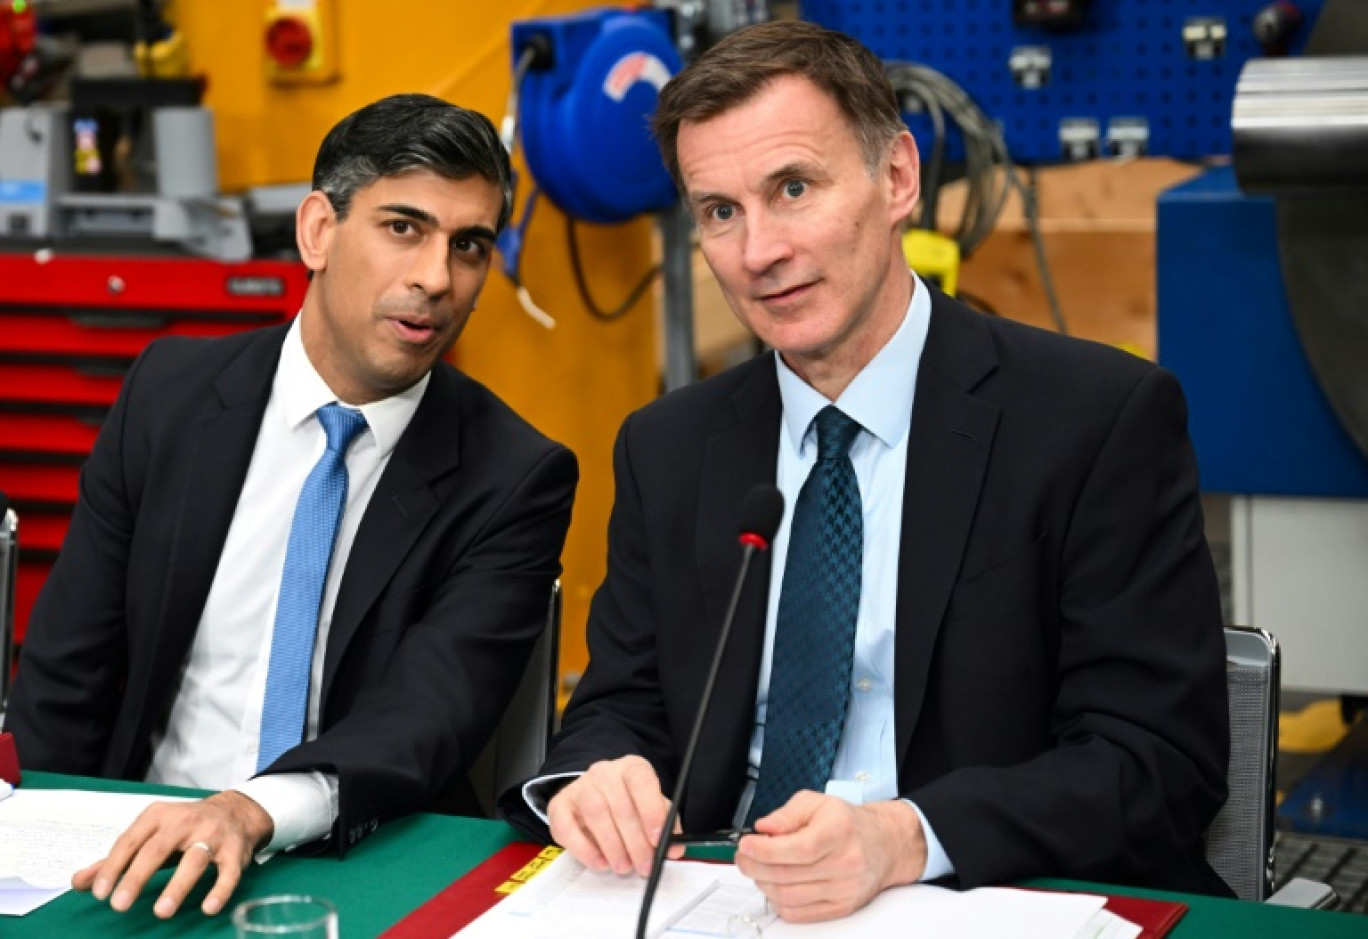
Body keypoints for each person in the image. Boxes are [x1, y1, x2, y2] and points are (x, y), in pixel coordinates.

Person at [499, 20, 1229, 923]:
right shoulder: (668, 445)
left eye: (793, 188)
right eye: (721, 211)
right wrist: (600, 774)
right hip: (722, 895)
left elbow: (1158, 760)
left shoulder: (1095, 420)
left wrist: (906, 835)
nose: (758, 250)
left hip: (976, 895)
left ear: (897, 179)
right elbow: (619, 702)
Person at [5, 93, 578, 919]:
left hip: (357, 849)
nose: (435, 277)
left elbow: (429, 713)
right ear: (317, 231)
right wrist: (23, 840)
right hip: (142, 841)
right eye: (403, 227)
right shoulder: (168, 397)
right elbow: (67, 669)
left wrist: (254, 809)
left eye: (470, 246)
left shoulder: (515, 475)